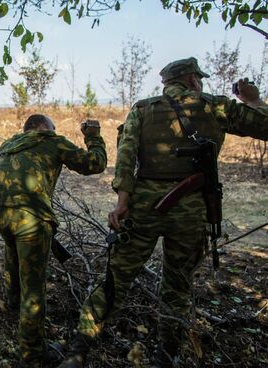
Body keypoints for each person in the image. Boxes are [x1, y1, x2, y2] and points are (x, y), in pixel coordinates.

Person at [58, 57, 268, 368]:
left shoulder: (143, 108)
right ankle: (166, 357)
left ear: (167, 83)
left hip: (143, 205)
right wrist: (253, 100)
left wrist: (122, 201)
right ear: (193, 80)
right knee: (177, 286)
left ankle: (77, 351)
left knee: (115, 279)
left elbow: (126, 156)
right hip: (191, 210)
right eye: (199, 79)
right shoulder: (214, 106)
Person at [0, 114, 107, 367]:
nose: (54, 131)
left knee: (14, 252)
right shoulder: (52, 140)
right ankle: (32, 355)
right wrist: (93, 138)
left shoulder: (8, 144)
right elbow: (94, 164)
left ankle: (13, 306)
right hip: (29, 216)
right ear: (45, 128)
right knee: (34, 287)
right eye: (53, 128)